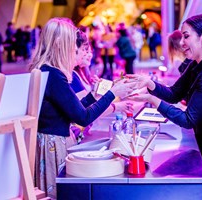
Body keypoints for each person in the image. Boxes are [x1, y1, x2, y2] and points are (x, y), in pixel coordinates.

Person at [126, 14, 202, 200]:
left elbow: (188, 119)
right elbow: (174, 93)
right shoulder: (196, 65)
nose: (182, 42)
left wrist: (152, 101)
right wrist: (149, 83)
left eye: (186, 36)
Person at [29, 18, 136, 199]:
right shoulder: (53, 74)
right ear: (59, 43)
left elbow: (75, 108)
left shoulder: (47, 70)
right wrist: (112, 93)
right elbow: (83, 117)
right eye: (72, 44)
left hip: (51, 140)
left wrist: (96, 94)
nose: (75, 50)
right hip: (52, 144)